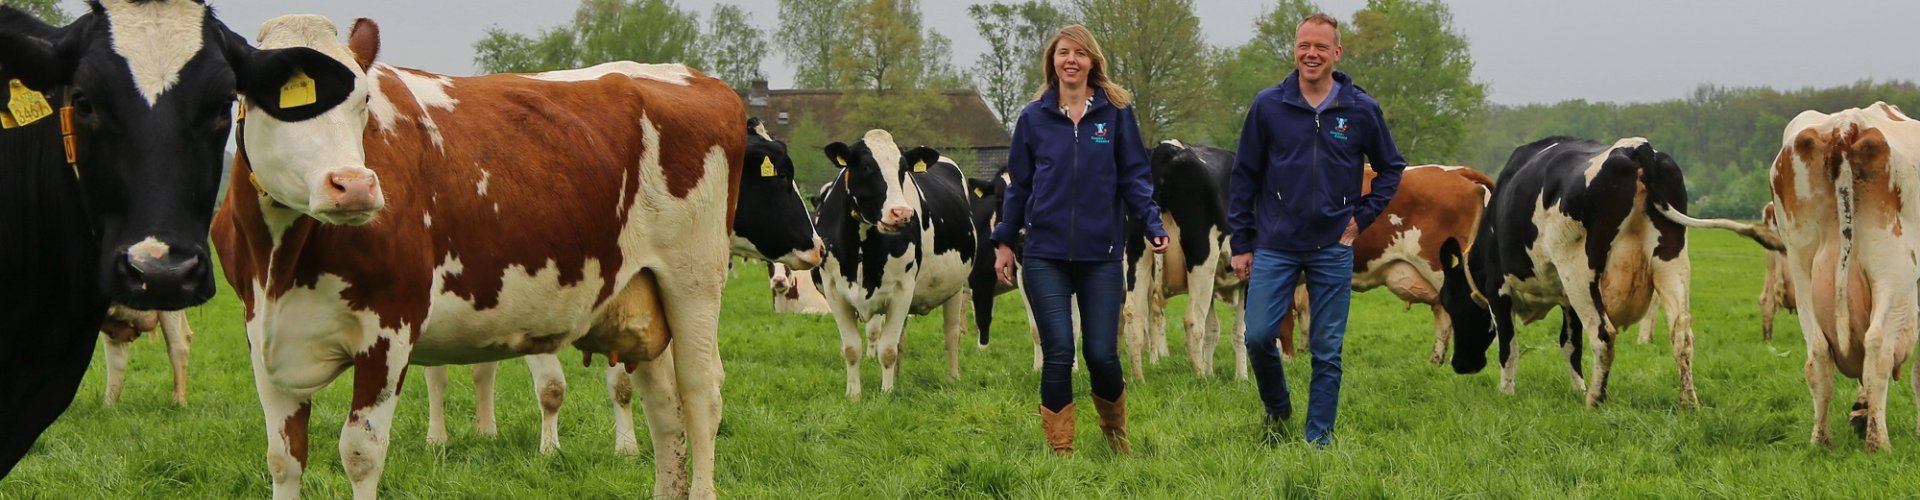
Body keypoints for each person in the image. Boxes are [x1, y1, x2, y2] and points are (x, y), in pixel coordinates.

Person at [1228, 12, 1406, 447]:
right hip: (1276, 243)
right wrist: (1242, 242)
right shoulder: (1268, 105)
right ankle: (1277, 407)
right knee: (1258, 335)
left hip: (1333, 245)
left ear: (1336, 52)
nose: (1311, 54)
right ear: (1295, 49)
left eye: (1321, 47)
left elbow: (1391, 168)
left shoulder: (1360, 109)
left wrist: (1360, 219)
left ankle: (1318, 440)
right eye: (1304, 45)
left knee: (1326, 349)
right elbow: (1244, 176)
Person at [992, 24, 1169, 457]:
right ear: (1052, 62)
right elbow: (1019, 186)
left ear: (1092, 61)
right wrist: (1004, 242)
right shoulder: (1033, 117)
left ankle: (1115, 434)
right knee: (1058, 351)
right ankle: (1061, 451)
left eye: (1079, 53)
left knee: (1102, 354)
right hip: (1044, 254)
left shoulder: (1116, 113)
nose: (1071, 60)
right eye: (1063, 53)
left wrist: (1152, 223)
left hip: (1100, 254)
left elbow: (1134, 176)